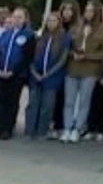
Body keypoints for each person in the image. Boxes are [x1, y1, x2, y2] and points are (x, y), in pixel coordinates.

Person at [62, 0, 103, 142]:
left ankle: (78, 128)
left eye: (91, 11)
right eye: (86, 10)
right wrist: (73, 54)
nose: (88, 14)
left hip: (90, 70)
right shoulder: (76, 27)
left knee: (84, 101)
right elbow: (66, 47)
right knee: (69, 101)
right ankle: (67, 127)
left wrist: (87, 56)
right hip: (73, 68)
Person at [25, 10, 71, 140]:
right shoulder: (40, 36)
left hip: (52, 76)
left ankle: (42, 131)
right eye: (49, 20)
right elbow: (31, 56)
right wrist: (34, 71)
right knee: (33, 102)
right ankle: (30, 129)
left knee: (47, 105)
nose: (51, 23)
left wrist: (48, 74)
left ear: (59, 22)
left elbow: (62, 59)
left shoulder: (64, 37)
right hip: (36, 74)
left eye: (54, 21)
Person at [0, 8, 34, 139]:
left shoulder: (28, 36)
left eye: (20, 17)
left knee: (11, 102)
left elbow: (27, 57)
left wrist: (13, 71)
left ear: (25, 19)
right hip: (0, 73)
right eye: (15, 17)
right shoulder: (5, 34)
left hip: (16, 76)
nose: (17, 20)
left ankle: (7, 129)